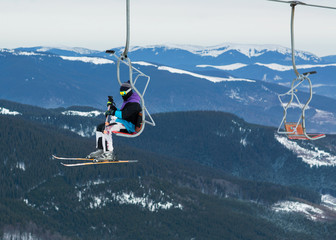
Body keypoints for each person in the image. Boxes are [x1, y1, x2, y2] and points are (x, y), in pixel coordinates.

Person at [87, 82, 142, 160]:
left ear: (129, 91)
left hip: (129, 126)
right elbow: (122, 113)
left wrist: (112, 112)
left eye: (123, 93)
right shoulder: (129, 100)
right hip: (123, 122)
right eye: (121, 93)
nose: (122, 95)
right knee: (100, 127)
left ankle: (109, 153)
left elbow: (124, 114)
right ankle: (101, 150)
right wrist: (112, 108)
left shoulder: (134, 104)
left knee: (107, 129)